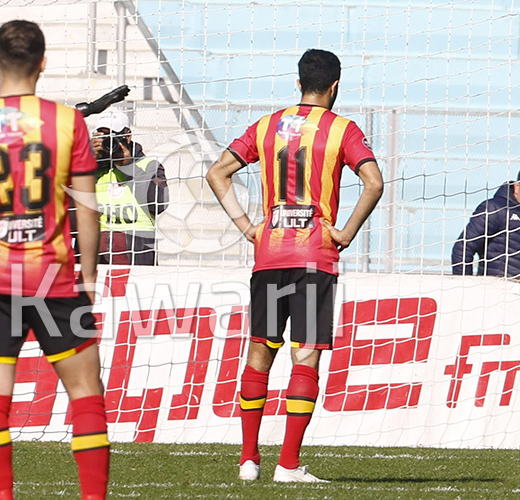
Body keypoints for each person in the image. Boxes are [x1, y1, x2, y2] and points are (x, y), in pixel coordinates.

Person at [0, 20, 108, 500]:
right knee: (85, 393)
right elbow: (86, 207)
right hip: (54, 278)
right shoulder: (67, 121)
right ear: (43, 62)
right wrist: (90, 276)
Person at [207, 49, 383, 483]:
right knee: (305, 356)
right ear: (335, 87)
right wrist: (345, 233)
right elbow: (374, 183)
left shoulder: (266, 126)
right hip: (313, 256)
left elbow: (216, 173)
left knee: (260, 350)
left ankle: (249, 460)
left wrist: (248, 225)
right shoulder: (343, 129)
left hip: (269, 253)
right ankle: (288, 464)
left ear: (298, 82)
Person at [452, 163, 520, 279]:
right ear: (517, 187)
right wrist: (465, 285)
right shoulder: (495, 209)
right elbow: (463, 248)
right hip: (497, 292)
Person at [91, 110, 168, 265]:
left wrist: (127, 166)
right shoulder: (90, 167)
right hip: (95, 245)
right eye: (103, 136)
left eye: (113, 136)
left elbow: (158, 203)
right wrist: (87, 158)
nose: (108, 142)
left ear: (128, 136)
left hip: (136, 247)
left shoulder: (149, 166)